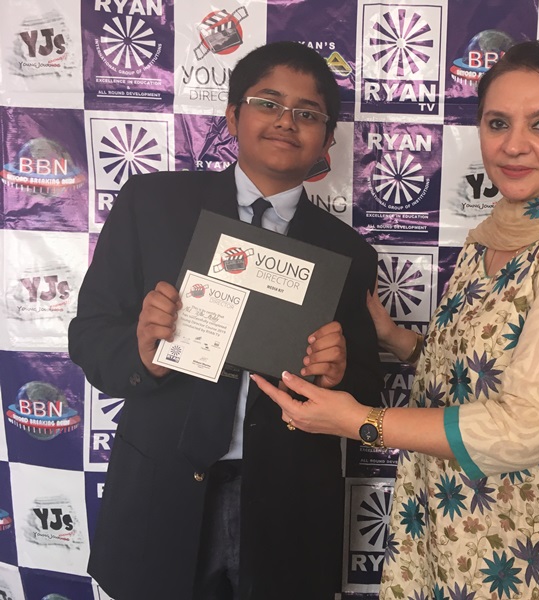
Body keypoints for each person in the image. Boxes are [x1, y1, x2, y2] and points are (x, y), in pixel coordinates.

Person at [253, 40, 539, 600]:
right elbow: (480, 369)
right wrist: (396, 338)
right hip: (454, 539)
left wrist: (360, 421)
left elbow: (531, 423)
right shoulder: (493, 237)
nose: (514, 145)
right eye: (498, 123)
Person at [68, 42, 381, 599]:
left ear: (327, 140)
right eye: (269, 103)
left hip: (286, 507)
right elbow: (89, 334)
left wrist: (339, 374)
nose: (286, 121)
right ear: (233, 116)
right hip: (162, 491)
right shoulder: (151, 204)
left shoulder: (348, 252)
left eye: (308, 113)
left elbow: (366, 387)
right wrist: (143, 351)